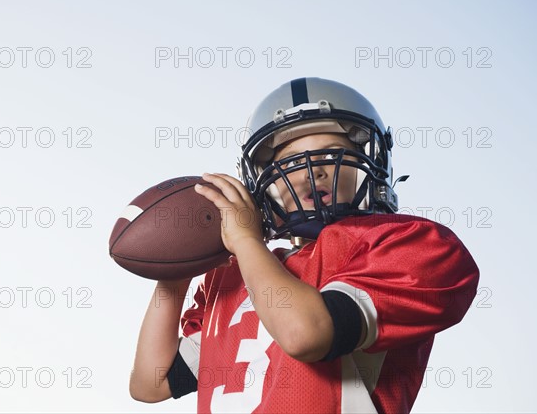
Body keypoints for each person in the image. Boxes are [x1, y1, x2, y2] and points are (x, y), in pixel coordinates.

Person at [129, 77, 480, 414]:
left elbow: (304, 335)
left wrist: (247, 241)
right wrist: (173, 278)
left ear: (370, 163)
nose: (313, 171)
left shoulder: (412, 242)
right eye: (290, 162)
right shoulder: (235, 273)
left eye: (330, 154)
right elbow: (152, 383)